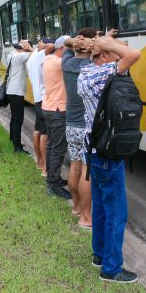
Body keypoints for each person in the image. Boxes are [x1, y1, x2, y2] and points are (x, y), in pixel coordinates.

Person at [77, 31, 142, 283]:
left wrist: (105, 42)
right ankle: (111, 268)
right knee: (116, 212)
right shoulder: (105, 72)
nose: (118, 56)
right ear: (103, 55)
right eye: (112, 53)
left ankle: (99, 255)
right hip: (107, 152)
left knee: (101, 205)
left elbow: (123, 50)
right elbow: (134, 54)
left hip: (92, 149)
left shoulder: (86, 71)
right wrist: (106, 43)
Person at [62, 29, 97, 227]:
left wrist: (74, 41)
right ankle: (86, 215)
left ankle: (76, 206)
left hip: (70, 124)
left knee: (74, 165)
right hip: (86, 126)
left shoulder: (66, 63)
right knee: (86, 170)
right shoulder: (92, 65)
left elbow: (64, 43)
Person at [41, 36, 72, 199]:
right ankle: (53, 184)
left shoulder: (48, 59)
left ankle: (53, 178)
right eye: (70, 48)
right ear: (61, 48)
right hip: (58, 110)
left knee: (52, 146)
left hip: (49, 107)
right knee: (59, 149)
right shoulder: (60, 63)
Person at [27, 38, 53, 174]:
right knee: (45, 134)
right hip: (43, 99)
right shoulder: (38, 56)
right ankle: (45, 169)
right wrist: (43, 44)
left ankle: (39, 161)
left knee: (38, 130)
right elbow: (52, 46)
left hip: (38, 98)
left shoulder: (33, 56)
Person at [5, 39, 33, 154]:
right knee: (18, 120)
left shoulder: (12, 54)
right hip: (16, 92)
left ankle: (13, 139)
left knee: (14, 118)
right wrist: (29, 47)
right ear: (22, 49)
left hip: (11, 90)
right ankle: (17, 147)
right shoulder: (20, 57)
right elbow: (35, 54)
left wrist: (23, 46)